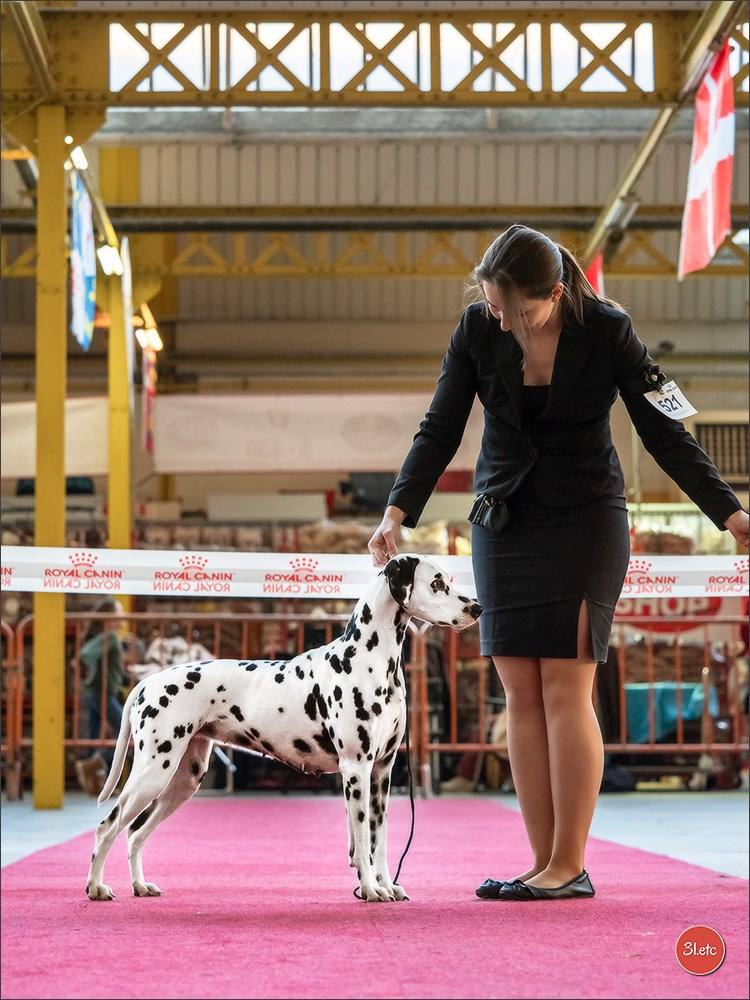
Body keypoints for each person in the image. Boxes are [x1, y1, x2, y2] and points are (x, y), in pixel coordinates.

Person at [367, 224, 749, 901]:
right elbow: (441, 425)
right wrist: (397, 512)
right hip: (504, 523)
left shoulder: (607, 330)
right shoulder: (477, 329)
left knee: (566, 688)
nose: (500, 321)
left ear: (554, 294)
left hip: (585, 521)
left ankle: (569, 863)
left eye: (514, 312)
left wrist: (731, 514)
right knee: (519, 690)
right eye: (492, 307)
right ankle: (542, 862)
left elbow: (664, 430)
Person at [75, 597, 128, 796]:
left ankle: (94, 781)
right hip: (102, 692)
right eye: (119, 612)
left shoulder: (105, 636)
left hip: (95, 692)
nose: (123, 615)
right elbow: (86, 654)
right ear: (110, 616)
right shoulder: (110, 636)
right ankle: (94, 764)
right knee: (127, 730)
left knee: (95, 735)